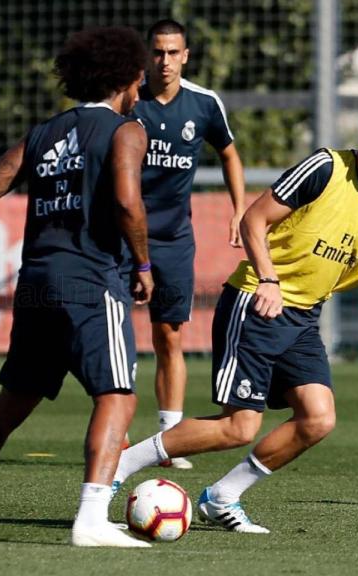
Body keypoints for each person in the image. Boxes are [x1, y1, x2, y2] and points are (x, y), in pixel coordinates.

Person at [113, 98, 358, 533]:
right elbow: (254, 220)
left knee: (318, 418)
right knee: (238, 427)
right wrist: (268, 280)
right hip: (255, 300)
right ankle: (120, 463)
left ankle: (222, 496)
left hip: (304, 316)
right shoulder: (325, 168)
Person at [0, 26, 154, 548]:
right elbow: (127, 201)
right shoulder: (126, 131)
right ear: (128, 77)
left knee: (13, 402)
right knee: (117, 396)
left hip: (38, 284)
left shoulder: (44, 133)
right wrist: (142, 264)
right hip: (94, 282)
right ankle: (92, 518)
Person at [131, 19, 247, 469]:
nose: (164, 61)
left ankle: (166, 437)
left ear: (186, 55)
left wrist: (238, 209)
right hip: (125, 236)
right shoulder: (129, 99)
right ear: (148, 55)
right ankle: (115, 431)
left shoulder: (203, 103)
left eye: (172, 52)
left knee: (169, 336)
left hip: (176, 238)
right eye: (157, 52)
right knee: (116, 336)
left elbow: (230, 154)